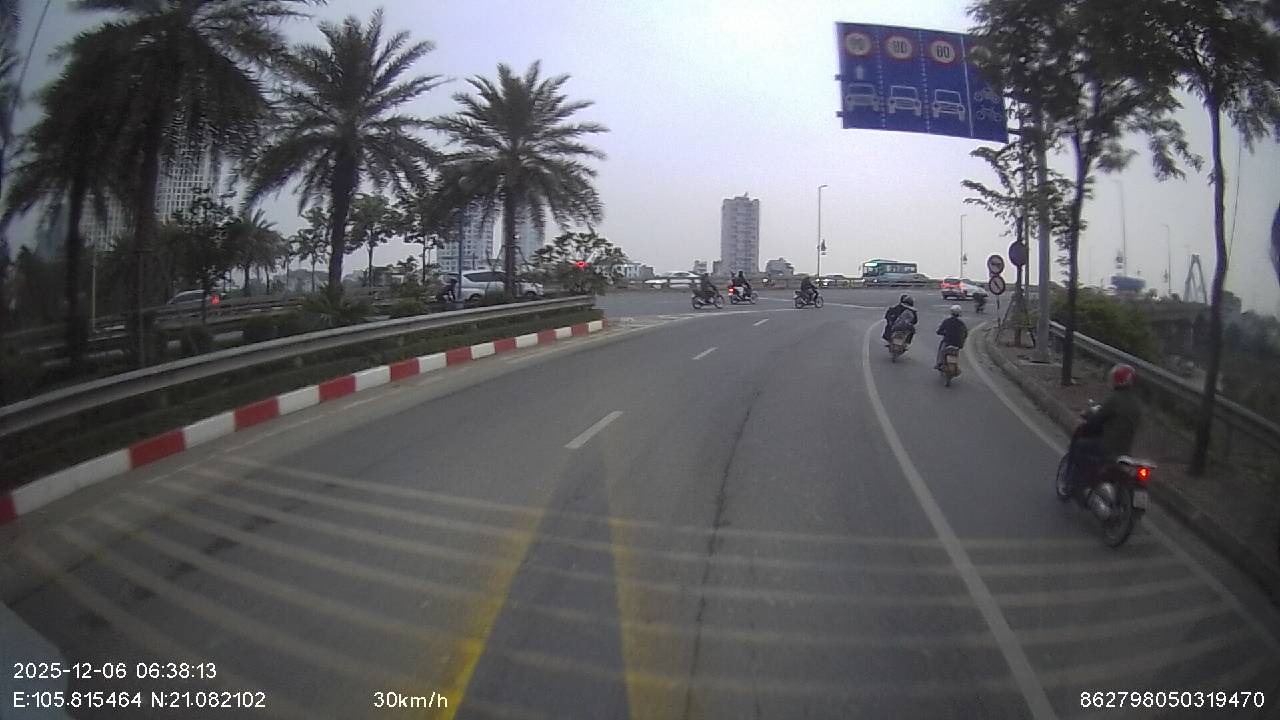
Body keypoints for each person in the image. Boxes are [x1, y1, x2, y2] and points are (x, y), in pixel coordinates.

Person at [1071, 364, 1142, 485]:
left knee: (1080, 446)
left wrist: (1088, 418)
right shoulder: (1136, 403)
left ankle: (1079, 482)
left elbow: (1097, 418)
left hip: (1108, 447)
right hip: (1126, 450)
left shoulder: (1114, 399)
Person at [935, 305, 968, 370]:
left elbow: (939, 331)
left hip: (947, 342)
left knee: (941, 350)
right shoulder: (961, 323)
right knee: (956, 353)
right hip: (958, 344)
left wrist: (944, 333)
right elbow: (965, 334)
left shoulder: (947, 321)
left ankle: (939, 363)